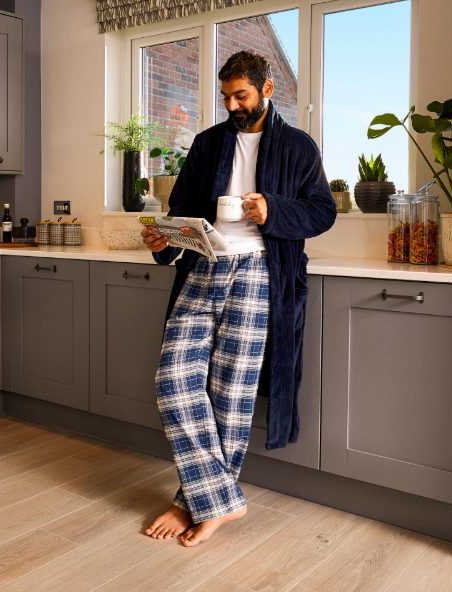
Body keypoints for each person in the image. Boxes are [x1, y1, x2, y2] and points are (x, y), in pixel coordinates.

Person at [142, 50, 337, 546]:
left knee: (232, 393)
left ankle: (196, 503)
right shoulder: (207, 144)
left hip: (259, 273)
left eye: (241, 95)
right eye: (226, 96)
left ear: (266, 90)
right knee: (173, 378)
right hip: (204, 265)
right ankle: (223, 501)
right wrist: (166, 239)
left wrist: (273, 210)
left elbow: (321, 212)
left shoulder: (297, 146)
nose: (232, 104)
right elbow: (182, 207)